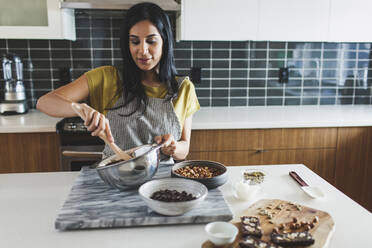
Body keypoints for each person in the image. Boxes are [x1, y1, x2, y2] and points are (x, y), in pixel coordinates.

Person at [36, 2, 200, 161]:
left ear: (165, 41)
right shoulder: (106, 78)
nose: (142, 50)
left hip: (161, 184)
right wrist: (80, 108)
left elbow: (184, 150)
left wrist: (174, 147)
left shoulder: (184, 88)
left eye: (151, 41)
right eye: (135, 41)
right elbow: (44, 102)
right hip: (116, 178)